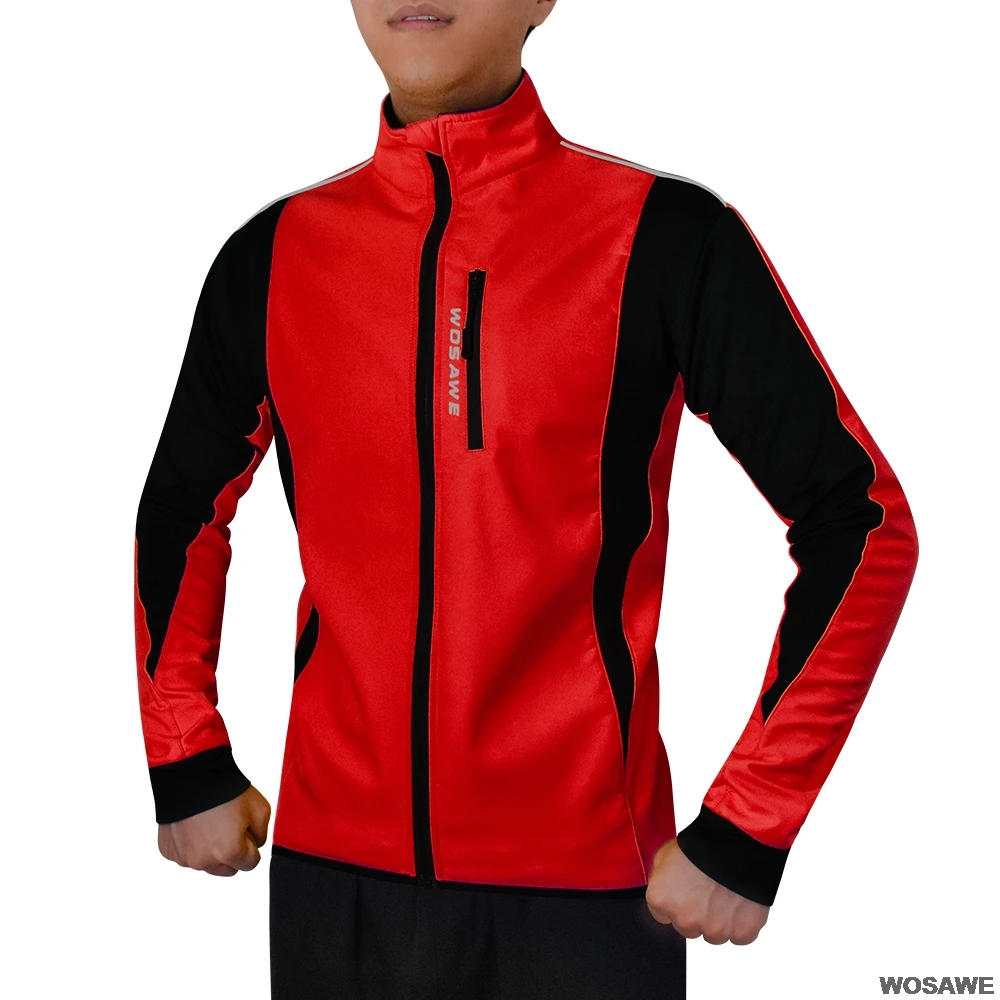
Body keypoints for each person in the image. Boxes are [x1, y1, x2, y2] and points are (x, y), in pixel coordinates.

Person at [134, 1, 919, 997]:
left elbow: (860, 521)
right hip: (337, 893)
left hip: (585, 903)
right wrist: (185, 756)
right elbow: (181, 511)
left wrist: (750, 824)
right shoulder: (274, 255)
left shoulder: (662, 239)